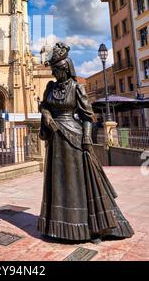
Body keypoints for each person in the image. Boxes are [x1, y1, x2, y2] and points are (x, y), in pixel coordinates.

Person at [38, 42, 134, 243]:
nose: (54, 74)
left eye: (56, 70)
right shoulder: (50, 87)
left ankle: (88, 227)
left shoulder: (77, 88)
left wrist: (87, 139)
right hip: (56, 140)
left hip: (73, 139)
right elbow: (44, 105)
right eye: (53, 70)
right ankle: (57, 226)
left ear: (65, 69)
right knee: (58, 182)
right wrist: (46, 114)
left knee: (77, 183)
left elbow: (87, 116)